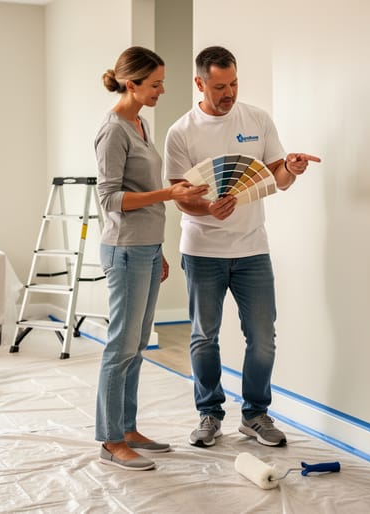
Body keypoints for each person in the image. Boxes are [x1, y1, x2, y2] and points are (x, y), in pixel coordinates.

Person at [165, 46, 321, 448]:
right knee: (203, 337)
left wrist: (291, 167)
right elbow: (179, 196)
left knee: (263, 337)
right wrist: (206, 207)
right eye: (219, 86)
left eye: (233, 83)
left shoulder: (257, 119)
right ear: (200, 83)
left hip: (253, 248)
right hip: (202, 249)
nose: (228, 92)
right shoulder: (181, 132)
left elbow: (276, 179)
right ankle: (209, 414)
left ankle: (255, 415)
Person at [94, 46, 208, 470]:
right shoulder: (113, 130)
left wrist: (157, 249)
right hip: (123, 248)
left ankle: (127, 428)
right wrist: (170, 193)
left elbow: (143, 194)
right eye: (155, 83)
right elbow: (110, 199)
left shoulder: (139, 123)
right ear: (132, 83)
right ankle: (109, 440)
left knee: (137, 343)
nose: (162, 90)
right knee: (119, 345)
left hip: (143, 248)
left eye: (162, 82)